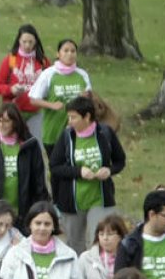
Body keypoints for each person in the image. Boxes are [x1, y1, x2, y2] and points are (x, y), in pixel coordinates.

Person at [50, 95, 125, 249]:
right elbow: (55, 166)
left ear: (87, 117)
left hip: (100, 199)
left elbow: (120, 161)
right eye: (69, 117)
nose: (69, 122)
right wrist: (78, 171)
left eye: (73, 117)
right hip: (72, 201)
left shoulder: (105, 133)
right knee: (74, 244)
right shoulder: (66, 137)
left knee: (99, 241)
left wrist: (109, 170)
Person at [0, 201, 89, 279]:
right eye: (37, 223)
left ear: (54, 226)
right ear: (30, 224)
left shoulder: (68, 255)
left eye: (47, 224)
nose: (42, 228)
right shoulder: (14, 254)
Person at [0, 103, 49, 230]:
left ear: (16, 122)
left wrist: (42, 209)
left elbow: (39, 181)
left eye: (6, 121)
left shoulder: (31, 145)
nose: (1, 125)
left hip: (23, 213)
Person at [30, 39, 92, 149]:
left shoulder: (82, 75)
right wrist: (51, 105)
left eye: (73, 51)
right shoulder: (48, 74)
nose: (70, 54)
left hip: (77, 132)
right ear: (58, 54)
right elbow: (33, 99)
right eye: (66, 50)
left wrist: (85, 98)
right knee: (57, 165)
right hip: (53, 130)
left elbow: (89, 100)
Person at [0, 25, 48, 140]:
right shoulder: (10, 60)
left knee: (33, 144)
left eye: (30, 42)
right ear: (19, 41)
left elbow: (50, 85)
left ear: (36, 42)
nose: (27, 45)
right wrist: (11, 89)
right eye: (24, 42)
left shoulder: (43, 62)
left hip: (36, 112)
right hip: (13, 113)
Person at [77, 213, 127, 279]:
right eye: (101, 234)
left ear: (121, 236)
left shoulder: (130, 257)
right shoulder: (85, 258)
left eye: (110, 234)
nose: (105, 238)